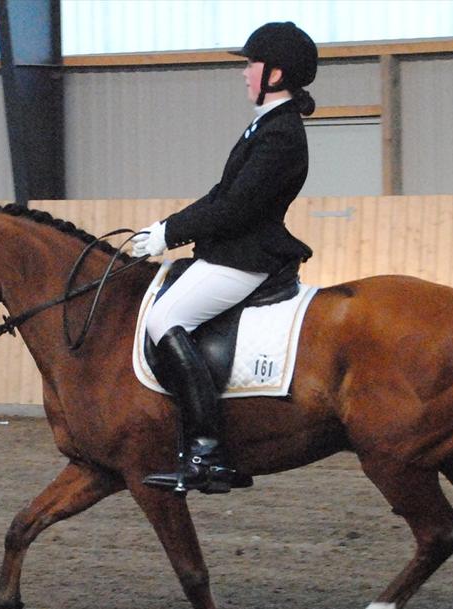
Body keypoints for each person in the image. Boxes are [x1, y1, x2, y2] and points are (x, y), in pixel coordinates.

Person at [130, 21, 319, 495]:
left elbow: (237, 208)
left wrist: (171, 233)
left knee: (163, 318)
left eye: (250, 65)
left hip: (245, 257)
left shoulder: (281, 134)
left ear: (274, 74)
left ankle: (206, 450)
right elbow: (220, 194)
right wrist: (164, 228)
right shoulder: (266, 125)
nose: (244, 74)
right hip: (228, 250)